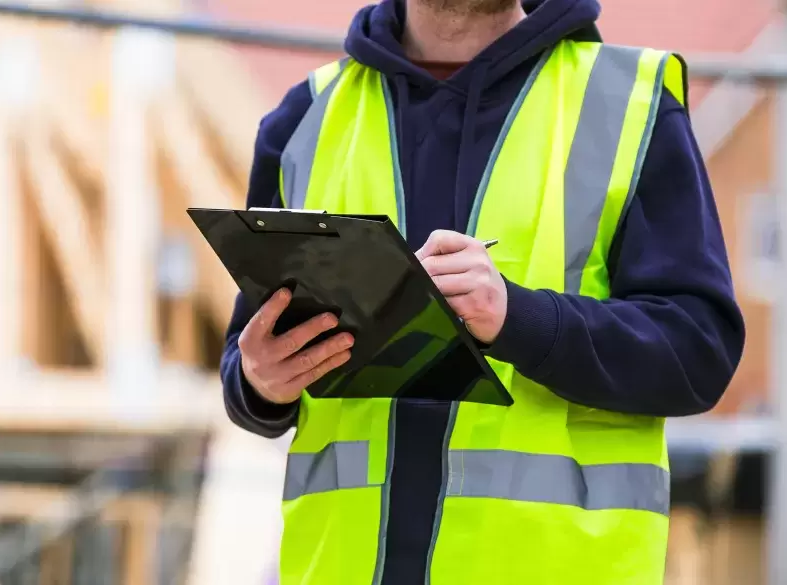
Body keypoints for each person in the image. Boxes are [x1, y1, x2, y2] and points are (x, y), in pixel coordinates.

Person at [219, 0, 746, 583]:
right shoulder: (304, 122)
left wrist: (519, 318)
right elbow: (247, 369)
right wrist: (259, 381)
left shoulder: (629, 104)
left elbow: (699, 351)